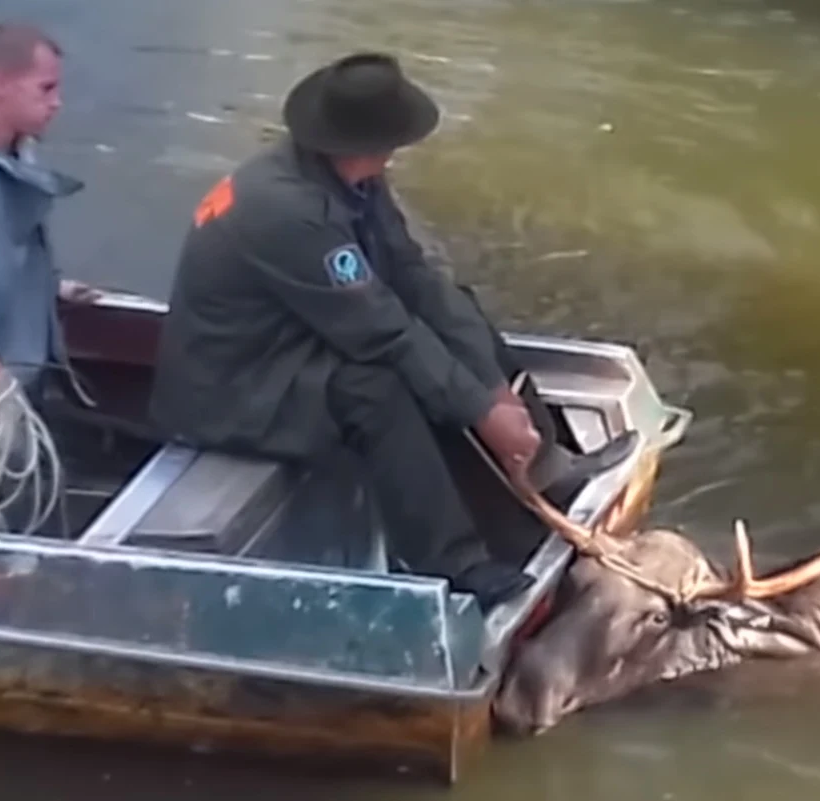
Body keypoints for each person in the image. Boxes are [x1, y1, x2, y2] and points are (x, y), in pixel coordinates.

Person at [148, 52, 635, 611]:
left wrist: (491, 385)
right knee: (374, 387)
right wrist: (480, 411)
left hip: (297, 341)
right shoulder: (287, 211)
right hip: (236, 387)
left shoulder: (350, 179)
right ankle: (454, 564)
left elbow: (413, 278)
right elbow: (380, 331)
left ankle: (549, 467)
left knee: (456, 308)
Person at [0, 21, 100, 408]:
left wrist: (48, 284)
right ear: (0, 84)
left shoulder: (17, 152)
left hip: (15, 383)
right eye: (46, 88)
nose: (57, 102)